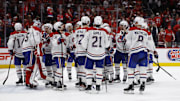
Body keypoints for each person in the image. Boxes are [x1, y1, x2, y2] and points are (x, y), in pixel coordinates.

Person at [81, 16, 110, 93]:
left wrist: (86, 48)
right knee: (99, 71)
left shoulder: (89, 31)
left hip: (90, 53)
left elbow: (83, 42)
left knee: (89, 70)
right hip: (101, 54)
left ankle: (89, 86)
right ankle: (98, 86)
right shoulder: (104, 32)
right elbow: (107, 44)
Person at [124, 17, 149, 94]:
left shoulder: (132, 30)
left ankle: (131, 85)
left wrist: (128, 48)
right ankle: (143, 83)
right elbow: (147, 43)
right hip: (144, 52)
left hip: (134, 52)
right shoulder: (146, 32)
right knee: (143, 69)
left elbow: (127, 41)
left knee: (130, 69)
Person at [51, 21, 68, 90]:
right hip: (57, 53)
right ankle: (56, 81)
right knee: (60, 67)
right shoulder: (54, 35)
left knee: (62, 67)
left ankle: (58, 81)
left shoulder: (63, 35)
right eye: (61, 26)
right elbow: (54, 43)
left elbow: (65, 43)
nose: (63, 27)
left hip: (62, 53)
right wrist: (59, 40)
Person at [74, 16, 90, 90]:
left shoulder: (77, 30)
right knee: (85, 68)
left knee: (80, 67)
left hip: (78, 51)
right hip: (86, 51)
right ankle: (84, 83)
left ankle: (81, 81)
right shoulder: (89, 30)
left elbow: (75, 42)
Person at [41, 23, 57, 87]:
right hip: (46, 53)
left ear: (50, 28)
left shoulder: (53, 35)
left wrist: (49, 41)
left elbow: (54, 44)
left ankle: (56, 79)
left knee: (54, 67)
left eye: (47, 28)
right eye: (45, 28)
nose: (45, 29)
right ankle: (50, 79)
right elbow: (42, 44)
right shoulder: (43, 35)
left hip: (52, 53)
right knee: (47, 67)